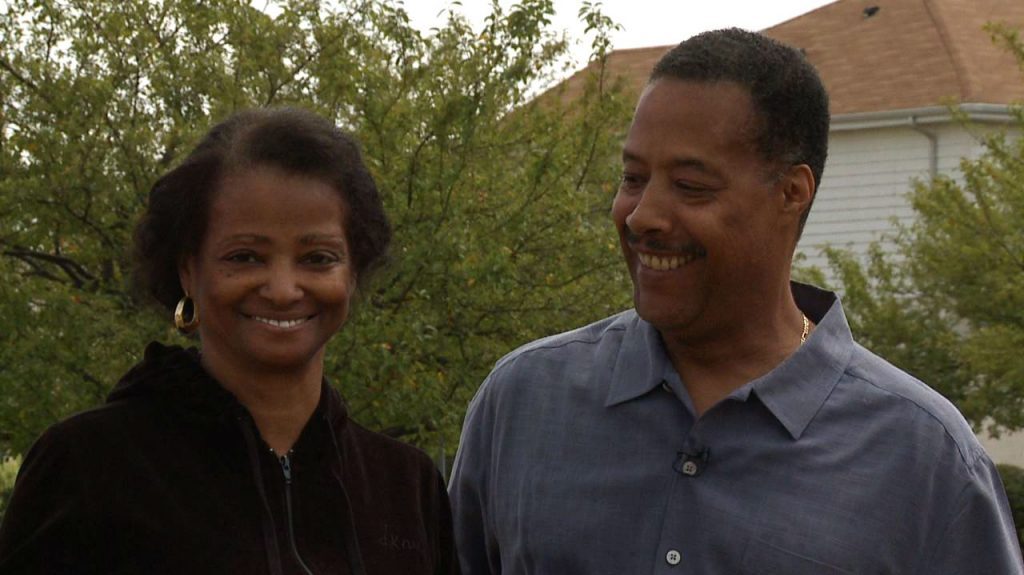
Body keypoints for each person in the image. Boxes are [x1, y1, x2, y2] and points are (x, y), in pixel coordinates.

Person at [448, 28, 1022, 574]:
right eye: (632, 178)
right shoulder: (523, 401)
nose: (643, 214)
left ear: (791, 194)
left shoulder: (923, 458)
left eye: (691, 186)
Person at [0, 107, 458, 574]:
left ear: (353, 273)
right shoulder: (88, 468)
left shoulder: (406, 485)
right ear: (187, 268)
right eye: (245, 256)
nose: (282, 289)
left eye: (318, 258)